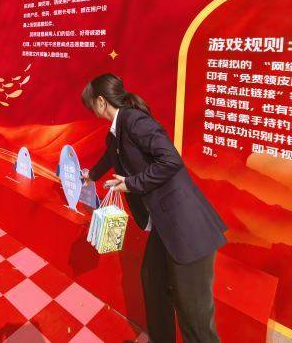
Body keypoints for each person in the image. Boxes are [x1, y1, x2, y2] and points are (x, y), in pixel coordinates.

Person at [81, 74, 227, 343]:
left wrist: (131, 183)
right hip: (165, 227)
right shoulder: (117, 132)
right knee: (154, 283)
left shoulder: (134, 121)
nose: (91, 110)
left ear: (101, 101)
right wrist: (90, 176)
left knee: (194, 319)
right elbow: (110, 156)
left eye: (91, 105)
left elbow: (171, 160)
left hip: (187, 227)